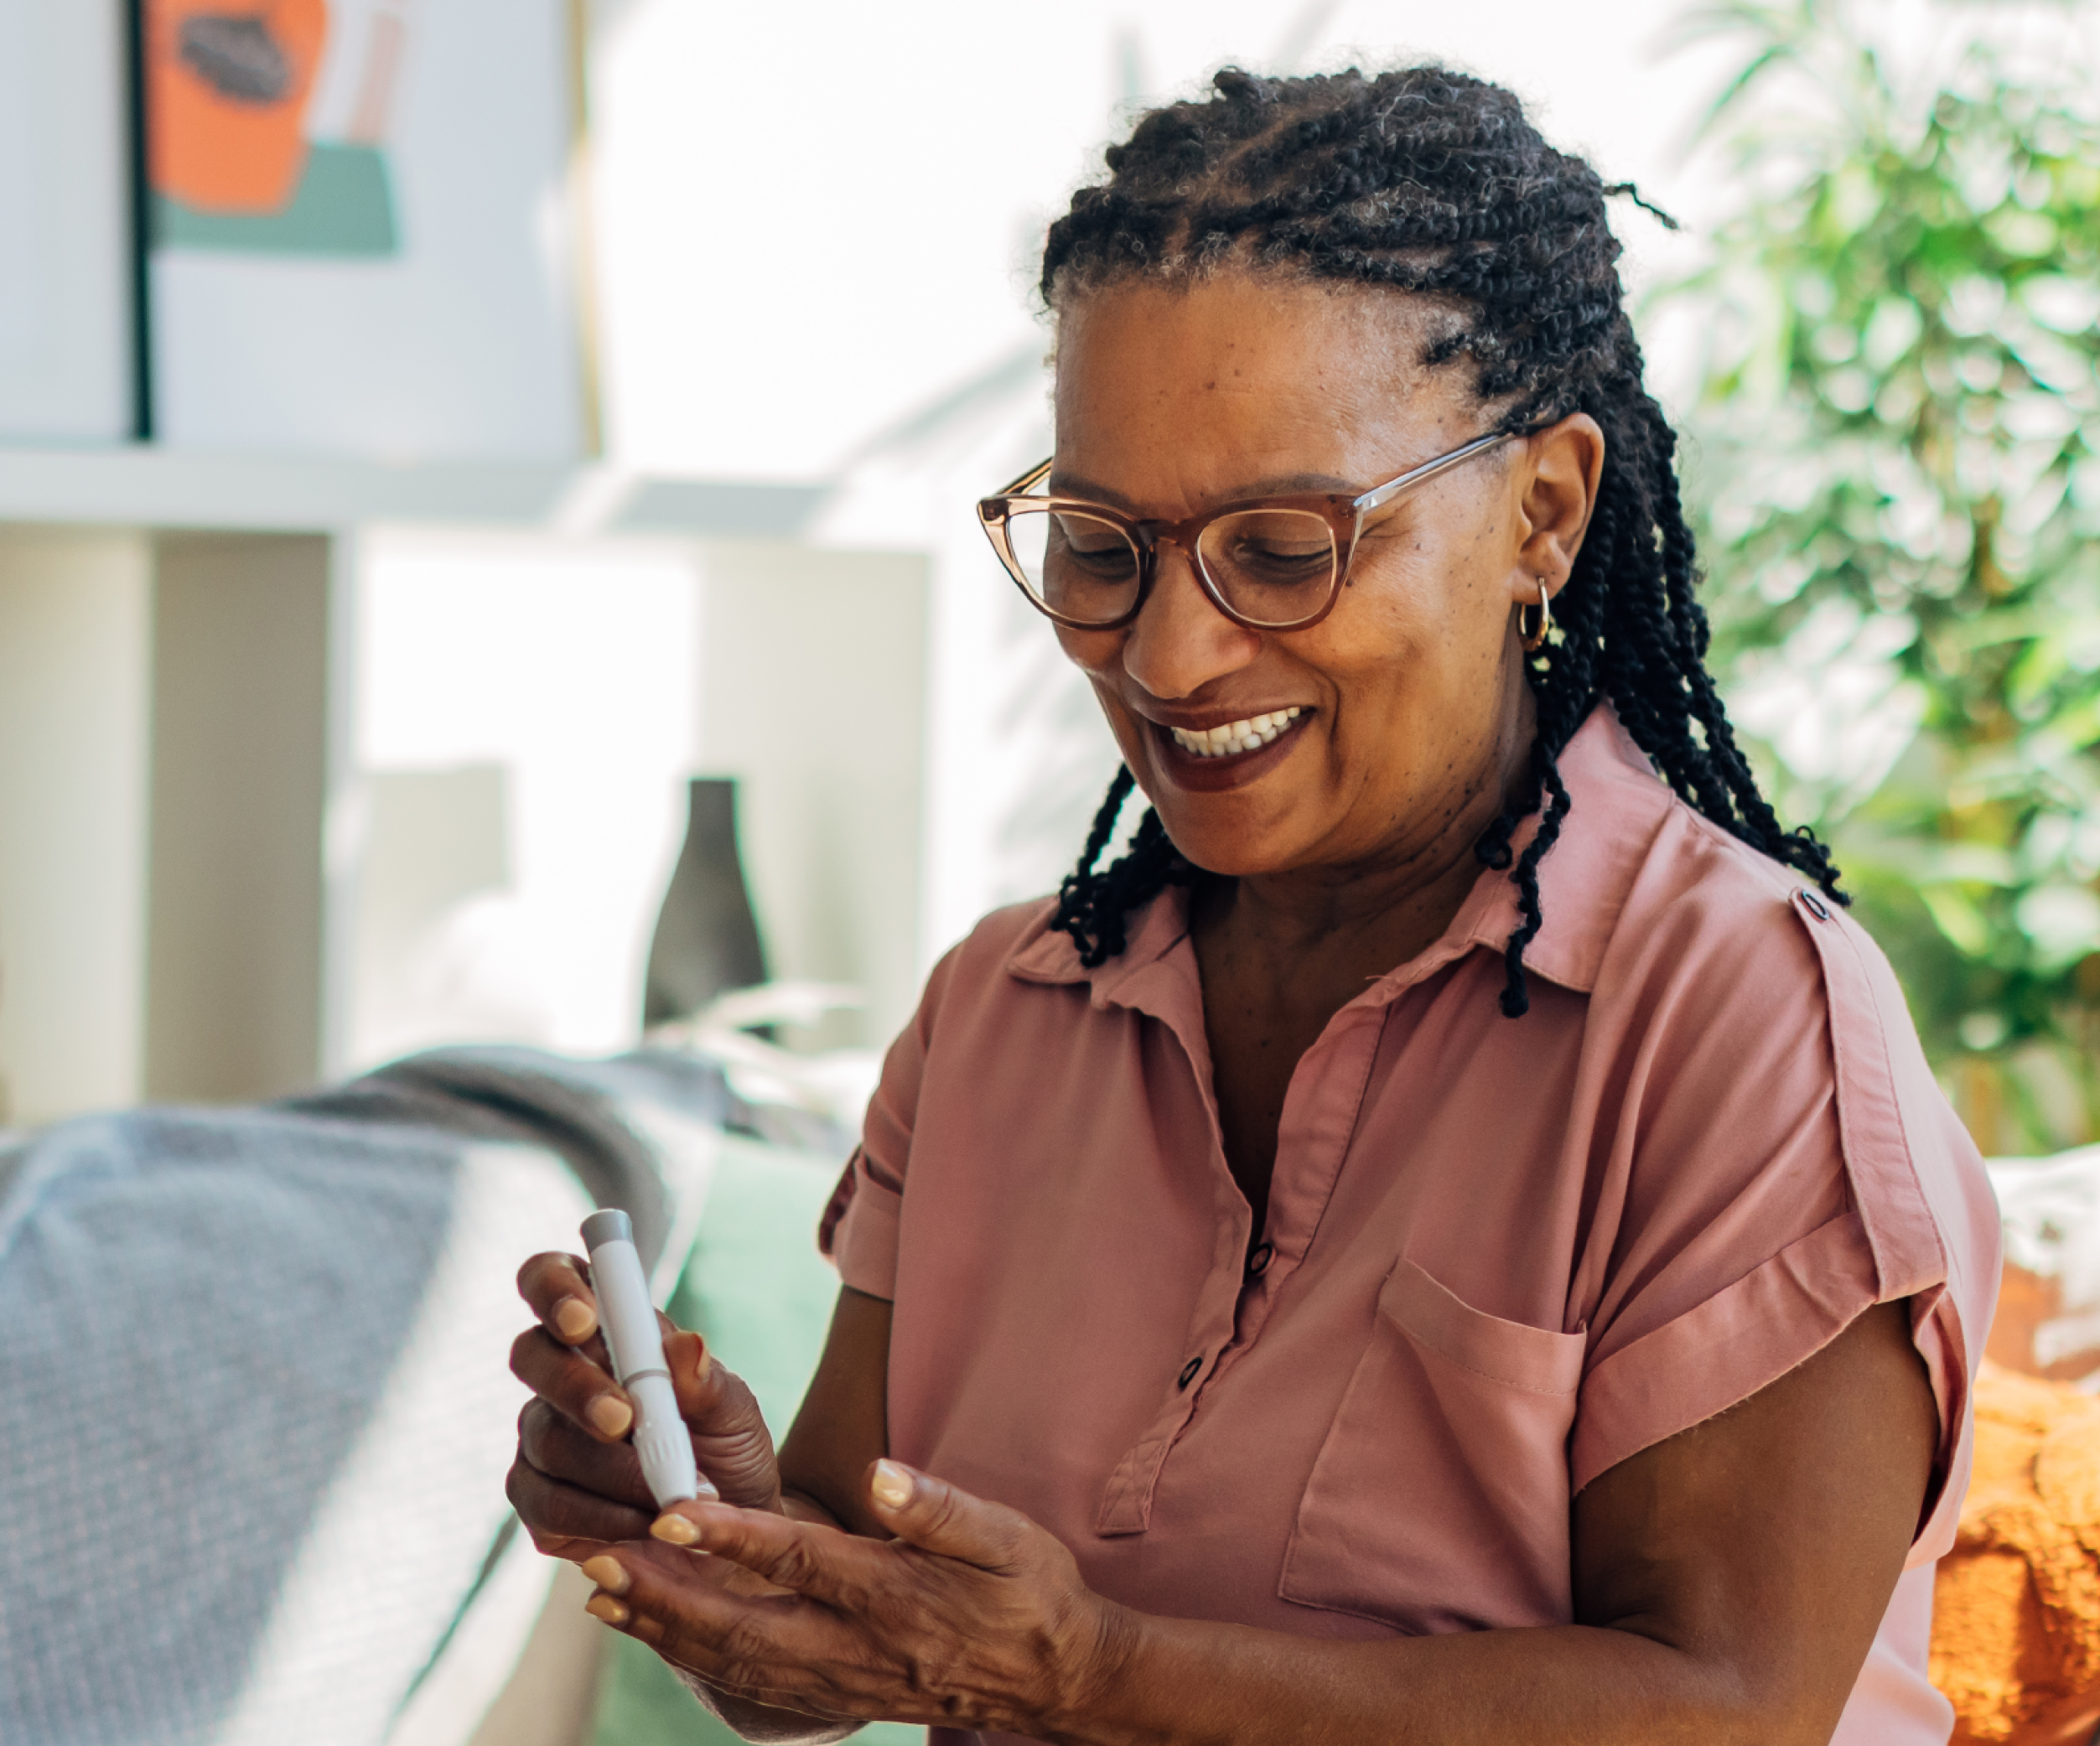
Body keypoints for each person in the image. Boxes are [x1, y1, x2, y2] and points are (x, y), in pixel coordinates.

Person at [506, 65, 1998, 1746]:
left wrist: (1093, 1673)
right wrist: (728, 1538)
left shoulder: (1733, 1012)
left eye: (1282, 550)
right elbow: (885, 1617)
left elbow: (1730, 1712)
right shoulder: (1005, 1011)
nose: (1166, 656)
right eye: (1099, 547)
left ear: (1543, 514)